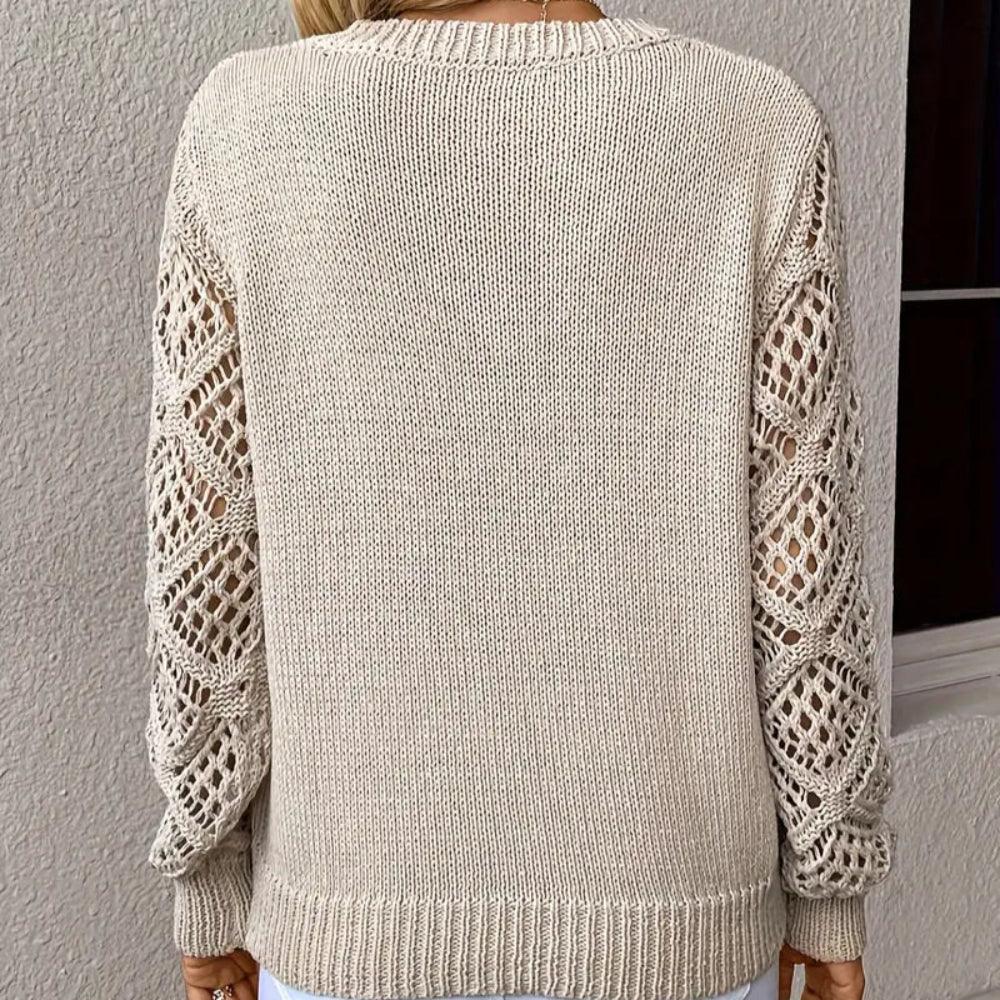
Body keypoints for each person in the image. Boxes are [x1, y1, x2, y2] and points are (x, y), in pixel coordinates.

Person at [140, 1, 896, 999]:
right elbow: (804, 568)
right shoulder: (755, 123)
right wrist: (828, 892)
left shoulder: (246, 123)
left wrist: (208, 881)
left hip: (355, 916)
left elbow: (205, 572)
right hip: (678, 919)